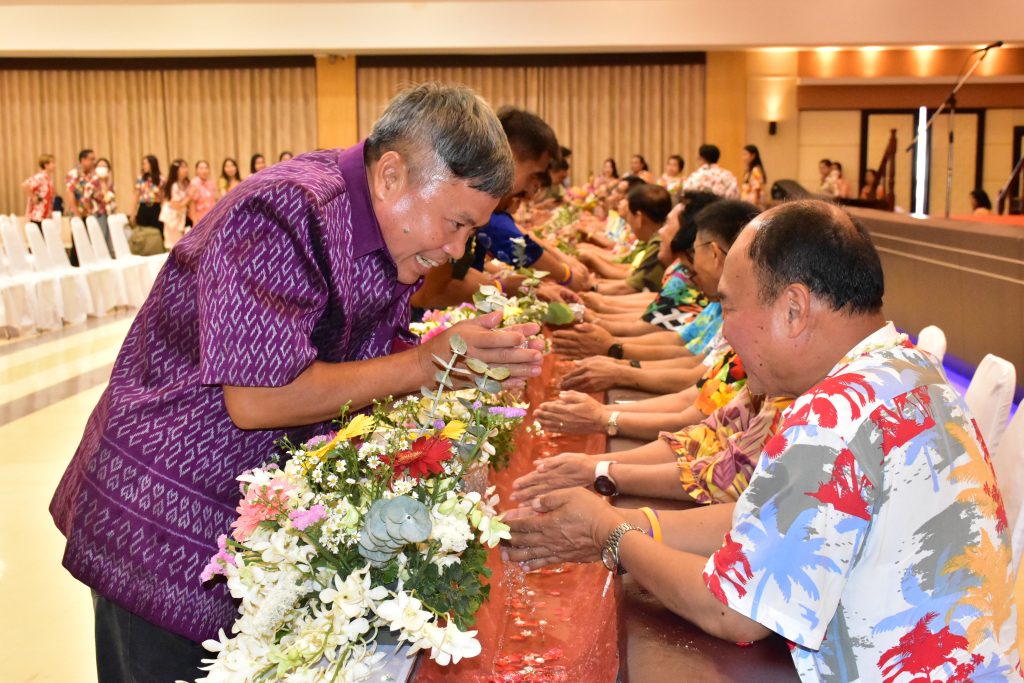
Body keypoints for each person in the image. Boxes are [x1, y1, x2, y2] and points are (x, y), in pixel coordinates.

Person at [51, 83, 544, 682]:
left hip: (240, 512)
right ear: (391, 175)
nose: (457, 249)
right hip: (164, 510)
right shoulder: (285, 211)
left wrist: (454, 362)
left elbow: (354, 356)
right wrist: (424, 366)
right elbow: (258, 398)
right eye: (456, 223)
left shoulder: (385, 235)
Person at [505, 199, 1019, 681]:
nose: (724, 334)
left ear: (793, 309)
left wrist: (608, 536)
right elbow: (766, 517)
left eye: (728, 309)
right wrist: (625, 518)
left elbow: (734, 611)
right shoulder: (910, 368)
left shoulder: (833, 414)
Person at [160, 159, 189, 248]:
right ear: (176, 170)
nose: (186, 169)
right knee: (173, 244)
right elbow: (175, 205)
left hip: (179, 216)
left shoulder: (185, 183)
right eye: (183, 167)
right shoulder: (174, 185)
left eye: (186, 167)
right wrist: (190, 197)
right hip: (172, 217)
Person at [65, 148, 100, 222]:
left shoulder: (92, 175)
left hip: (91, 214)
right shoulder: (74, 174)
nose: (94, 162)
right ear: (83, 160)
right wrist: (77, 213)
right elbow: (70, 193)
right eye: (91, 159)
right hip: (78, 214)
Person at [22, 153, 55, 223]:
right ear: (46, 165)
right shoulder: (40, 177)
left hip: (45, 215)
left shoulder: (48, 179)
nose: (54, 165)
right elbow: (25, 185)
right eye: (52, 163)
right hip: (37, 215)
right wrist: (33, 197)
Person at [133, 155, 163, 232]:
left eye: (145, 164)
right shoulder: (141, 178)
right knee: (142, 232)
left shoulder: (161, 179)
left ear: (152, 164)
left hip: (155, 208)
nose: (144, 166)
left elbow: (163, 197)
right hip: (143, 207)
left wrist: (158, 192)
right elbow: (136, 195)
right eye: (143, 164)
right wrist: (133, 212)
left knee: (157, 231)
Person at [187, 160, 218, 226]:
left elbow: (214, 201)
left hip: (211, 218)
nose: (204, 171)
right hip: (199, 220)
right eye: (201, 168)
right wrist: (195, 222)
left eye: (206, 168)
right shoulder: (194, 184)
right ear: (196, 171)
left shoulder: (211, 184)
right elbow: (192, 205)